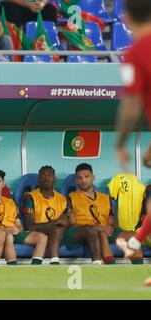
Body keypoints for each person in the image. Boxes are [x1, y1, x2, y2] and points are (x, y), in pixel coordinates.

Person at [115, 0, 151, 284]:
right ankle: (137, 244)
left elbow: (131, 104)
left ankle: (136, 244)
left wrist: (120, 143)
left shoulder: (134, 55)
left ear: (125, 17)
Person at [0, 168, 48, 265]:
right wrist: (2, 230)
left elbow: (18, 225)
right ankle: (11, 268)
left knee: (42, 238)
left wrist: (17, 229)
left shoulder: (11, 203)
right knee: (6, 236)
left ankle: (34, 269)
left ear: (3, 184)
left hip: (11, 231)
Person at [21, 166, 69, 265]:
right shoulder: (30, 198)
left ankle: (54, 261)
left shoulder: (63, 199)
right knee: (56, 228)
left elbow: (65, 222)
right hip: (37, 234)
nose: (46, 178)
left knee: (58, 229)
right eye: (43, 175)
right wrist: (54, 223)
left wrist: (56, 225)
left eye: (50, 175)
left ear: (55, 179)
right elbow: (31, 227)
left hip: (59, 235)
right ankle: (54, 263)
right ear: (38, 180)